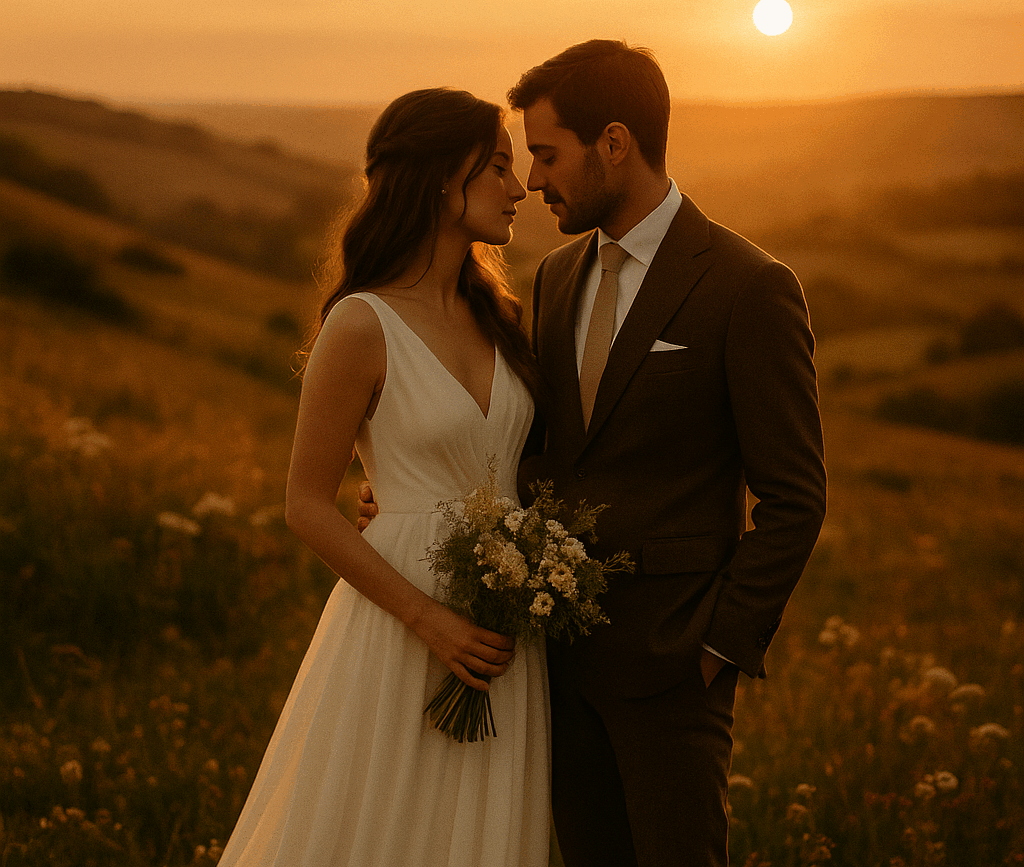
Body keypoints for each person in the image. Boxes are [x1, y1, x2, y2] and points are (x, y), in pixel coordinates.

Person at [506, 40, 828, 867]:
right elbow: (539, 452)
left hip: (676, 671)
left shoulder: (746, 285)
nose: (535, 179)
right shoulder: (550, 278)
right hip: (557, 671)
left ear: (614, 142)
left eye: (547, 154)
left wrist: (717, 649)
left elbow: (795, 496)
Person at [216, 87, 550, 867]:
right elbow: (305, 503)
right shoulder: (361, 323)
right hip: (405, 626)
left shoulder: (497, 315)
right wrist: (427, 616)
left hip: (505, 633)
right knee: (379, 828)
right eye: (499, 166)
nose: (520, 186)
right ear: (442, 178)